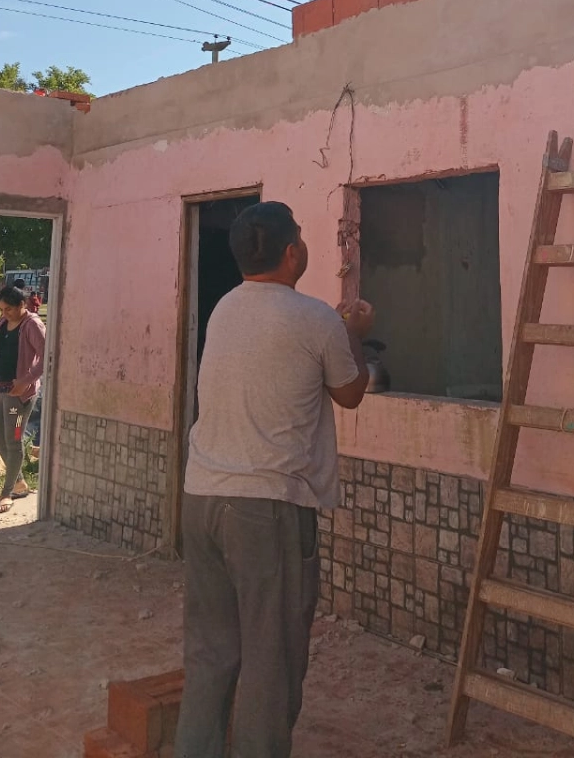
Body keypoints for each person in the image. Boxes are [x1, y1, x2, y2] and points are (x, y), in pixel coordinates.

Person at [174, 201, 373, 758]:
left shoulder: (223, 310)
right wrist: (353, 330)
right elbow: (351, 392)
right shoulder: (316, 319)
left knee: (212, 652)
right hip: (267, 510)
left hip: (203, 498)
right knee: (271, 660)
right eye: (303, 238)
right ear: (292, 253)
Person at [0, 286, 45, 514]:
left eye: (9, 309)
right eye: (1, 309)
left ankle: (8, 493)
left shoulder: (32, 325)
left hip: (18, 395)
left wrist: (26, 380)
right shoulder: (2, 323)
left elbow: (47, 357)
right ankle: (19, 482)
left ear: (22, 305)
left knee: (13, 439)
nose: (4, 314)